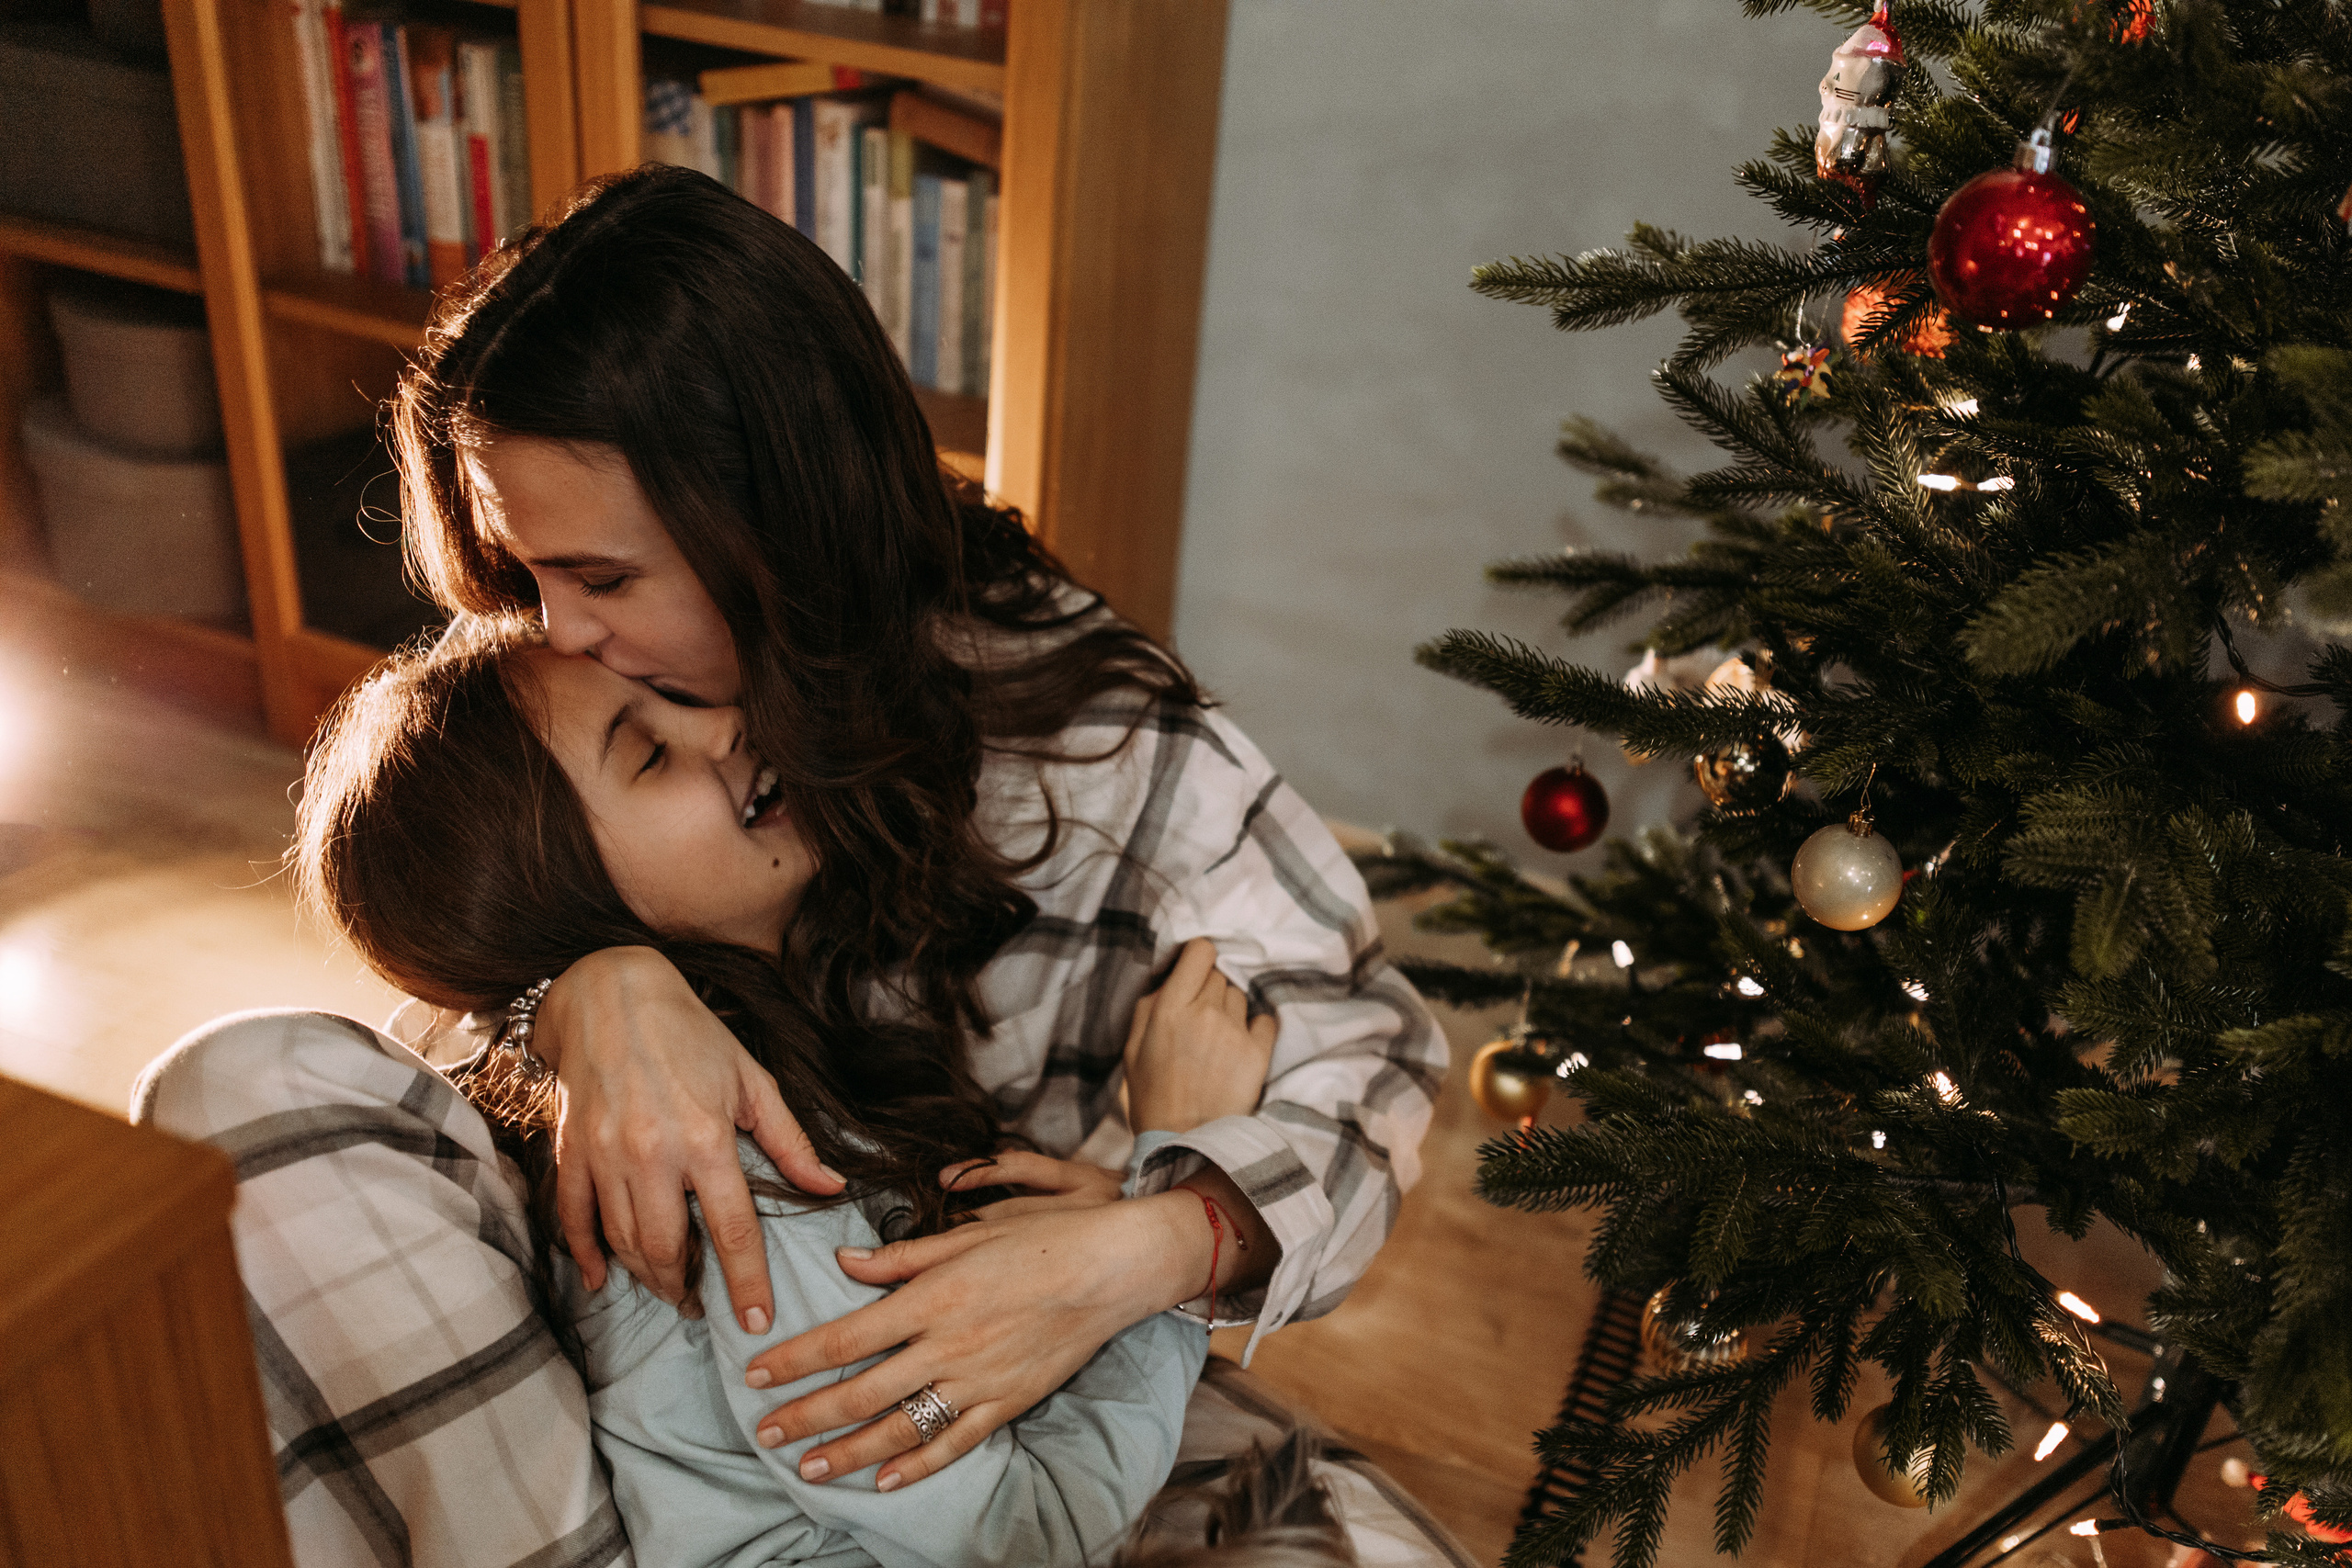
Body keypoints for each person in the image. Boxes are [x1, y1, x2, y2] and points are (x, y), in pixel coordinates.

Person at [135, 163, 1453, 1566]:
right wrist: (575, 992)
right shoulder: (578, 704)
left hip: (992, 1383)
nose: (551, 632)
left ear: (771, 533)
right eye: (525, 576)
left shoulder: (1088, 739)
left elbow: (1368, 1053)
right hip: (663, 1408)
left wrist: (1148, 1247)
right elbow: (470, 905)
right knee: (247, 1097)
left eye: (606, 579)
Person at [288, 617, 1329, 1567]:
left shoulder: (760, 1073)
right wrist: (1168, 1228)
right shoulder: (736, 1180)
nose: (729, 730)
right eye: (650, 753)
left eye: (682, 703)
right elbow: (1025, 1537)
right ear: (555, 892)